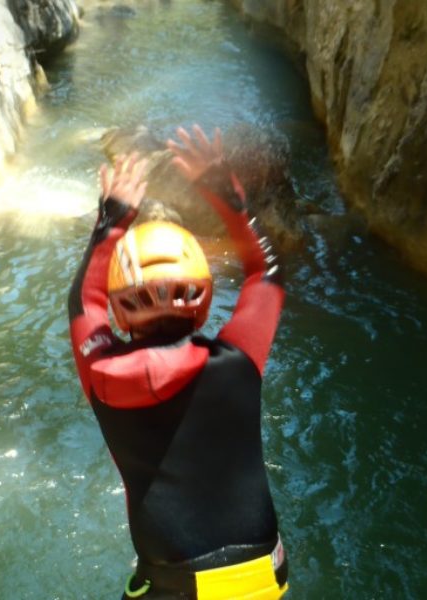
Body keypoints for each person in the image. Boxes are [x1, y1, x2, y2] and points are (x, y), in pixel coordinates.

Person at [67, 124, 288, 599]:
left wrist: (113, 220)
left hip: (176, 586)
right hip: (264, 572)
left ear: (120, 310)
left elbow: (83, 304)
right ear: (204, 303)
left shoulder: (105, 375)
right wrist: (226, 196)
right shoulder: (241, 360)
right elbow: (266, 269)